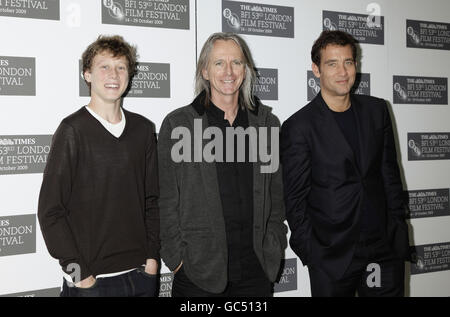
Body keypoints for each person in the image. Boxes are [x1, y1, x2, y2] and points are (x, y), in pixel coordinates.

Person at [281, 30, 410, 297]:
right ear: (316, 70)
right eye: (332, 63)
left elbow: (390, 175)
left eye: (348, 62)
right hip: (332, 257)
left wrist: (397, 227)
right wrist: (314, 253)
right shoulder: (299, 126)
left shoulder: (377, 111)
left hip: (383, 252)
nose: (343, 71)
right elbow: (294, 200)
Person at [158, 32, 287, 297]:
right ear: (205, 71)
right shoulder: (179, 125)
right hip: (198, 274)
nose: (228, 71)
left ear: (245, 69)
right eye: (219, 63)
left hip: (256, 272)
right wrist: (177, 260)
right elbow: (165, 199)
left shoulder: (266, 125)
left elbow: (277, 195)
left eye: (236, 62)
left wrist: (273, 241)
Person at [38, 35, 160, 297]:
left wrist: (152, 260)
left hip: (141, 277)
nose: (113, 74)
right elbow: (50, 212)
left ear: (129, 75)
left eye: (121, 67)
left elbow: (152, 201)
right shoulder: (72, 130)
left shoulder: (143, 130)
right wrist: (79, 275)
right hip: (91, 283)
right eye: (104, 66)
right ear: (87, 74)